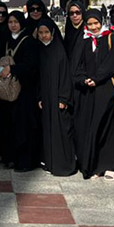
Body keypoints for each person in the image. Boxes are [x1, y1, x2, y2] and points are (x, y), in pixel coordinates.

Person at [71, 8, 114, 180]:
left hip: (106, 89)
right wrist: (83, 79)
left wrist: (97, 78)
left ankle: (109, 166)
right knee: (89, 128)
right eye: (90, 24)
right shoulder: (84, 40)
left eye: (96, 23)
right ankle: (93, 165)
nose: (94, 27)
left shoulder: (112, 38)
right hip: (88, 91)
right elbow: (76, 65)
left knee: (107, 127)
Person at [0, 10, 40, 172]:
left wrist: (12, 69)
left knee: (24, 126)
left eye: (15, 22)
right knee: (10, 124)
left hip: (25, 90)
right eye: (10, 22)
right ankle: (11, 158)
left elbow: (32, 65)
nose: (13, 25)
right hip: (9, 90)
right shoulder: (7, 40)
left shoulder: (28, 41)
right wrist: (2, 70)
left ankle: (25, 161)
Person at [36, 21, 77, 177]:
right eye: (41, 32)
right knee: (48, 131)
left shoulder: (59, 50)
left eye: (46, 32)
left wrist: (63, 98)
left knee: (61, 131)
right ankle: (50, 162)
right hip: (46, 99)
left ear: (52, 33)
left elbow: (66, 77)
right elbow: (38, 78)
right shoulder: (40, 50)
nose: (44, 35)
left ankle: (63, 166)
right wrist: (40, 97)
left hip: (58, 98)